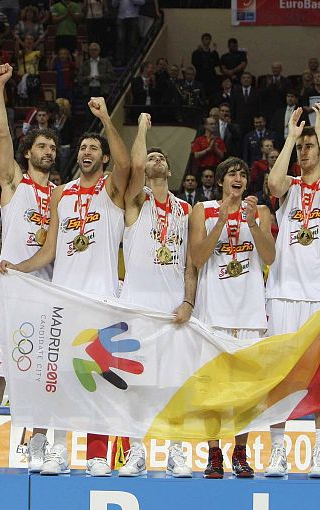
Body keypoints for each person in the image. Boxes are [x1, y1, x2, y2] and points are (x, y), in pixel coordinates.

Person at [0, 97, 130, 477]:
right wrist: (18, 266)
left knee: (99, 379)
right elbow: (50, 249)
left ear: (102, 159)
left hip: (102, 299)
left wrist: (105, 119)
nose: (87, 151)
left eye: (94, 149)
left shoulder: (112, 189)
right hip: (64, 298)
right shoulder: (62, 193)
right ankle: (57, 450)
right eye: (83, 147)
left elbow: (126, 164)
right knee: (61, 378)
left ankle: (98, 455)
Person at [0, 63, 59, 472]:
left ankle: (39, 444)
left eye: (53, 149)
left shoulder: (63, 194)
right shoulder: (13, 183)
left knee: (45, 374)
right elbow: (2, 134)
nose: (48, 152)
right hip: (15, 290)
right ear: (29, 153)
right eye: (41, 147)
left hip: (50, 291)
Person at [264, 103, 320, 478]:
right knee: (279, 376)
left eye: (310, 147)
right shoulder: (290, 188)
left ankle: (319, 452)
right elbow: (273, 184)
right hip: (283, 292)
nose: (305, 151)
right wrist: (291, 138)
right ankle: (277, 451)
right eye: (303, 147)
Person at [118, 112, 196, 477]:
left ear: (170, 168)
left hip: (172, 310)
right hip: (137, 306)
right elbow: (134, 163)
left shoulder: (185, 209)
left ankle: (176, 450)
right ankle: (136, 450)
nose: (155, 160)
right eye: (151, 157)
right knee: (136, 382)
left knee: (172, 384)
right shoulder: (135, 202)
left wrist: (188, 302)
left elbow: (191, 264)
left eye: (161, 157)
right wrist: (144, 131)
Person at [189, 157, 275, 479]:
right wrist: (221, 221)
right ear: (221, 181)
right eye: (231, 174)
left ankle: (240, 451)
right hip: (213, 313)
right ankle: (214, 454)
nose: (237, 178)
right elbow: (197, 258)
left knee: (248, 392)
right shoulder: (203, 210)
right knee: (213, 390)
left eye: (242, 174)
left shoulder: (260, 211)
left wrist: (251, 223)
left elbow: (270, 257)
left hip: (250, 313)